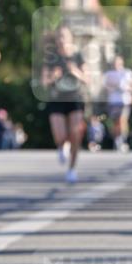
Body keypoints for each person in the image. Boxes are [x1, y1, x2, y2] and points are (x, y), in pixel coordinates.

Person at [41, 25, 89, 184]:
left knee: (76, 135)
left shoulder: (78, 56)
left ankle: (72, 169)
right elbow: (44, 82)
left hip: (75, 99)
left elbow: (88, 79)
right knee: (60, 136)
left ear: (71, 38)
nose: (62, 40)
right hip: (57, 100)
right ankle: (62, 146)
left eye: (65, 36)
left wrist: (76, 72)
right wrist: (53, 77)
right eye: (59, 36)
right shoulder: (51, 57)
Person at [103, 55, 132, 151]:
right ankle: (117, 140)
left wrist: (128, 89)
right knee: (115, 122)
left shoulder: (127, 72)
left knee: (123, 120)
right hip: (113, 102)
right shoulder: (109, 73)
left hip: (124, 100)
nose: (116, 64)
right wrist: (113, 86)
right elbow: (105, 86)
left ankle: (123, 140)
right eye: (115, 62)